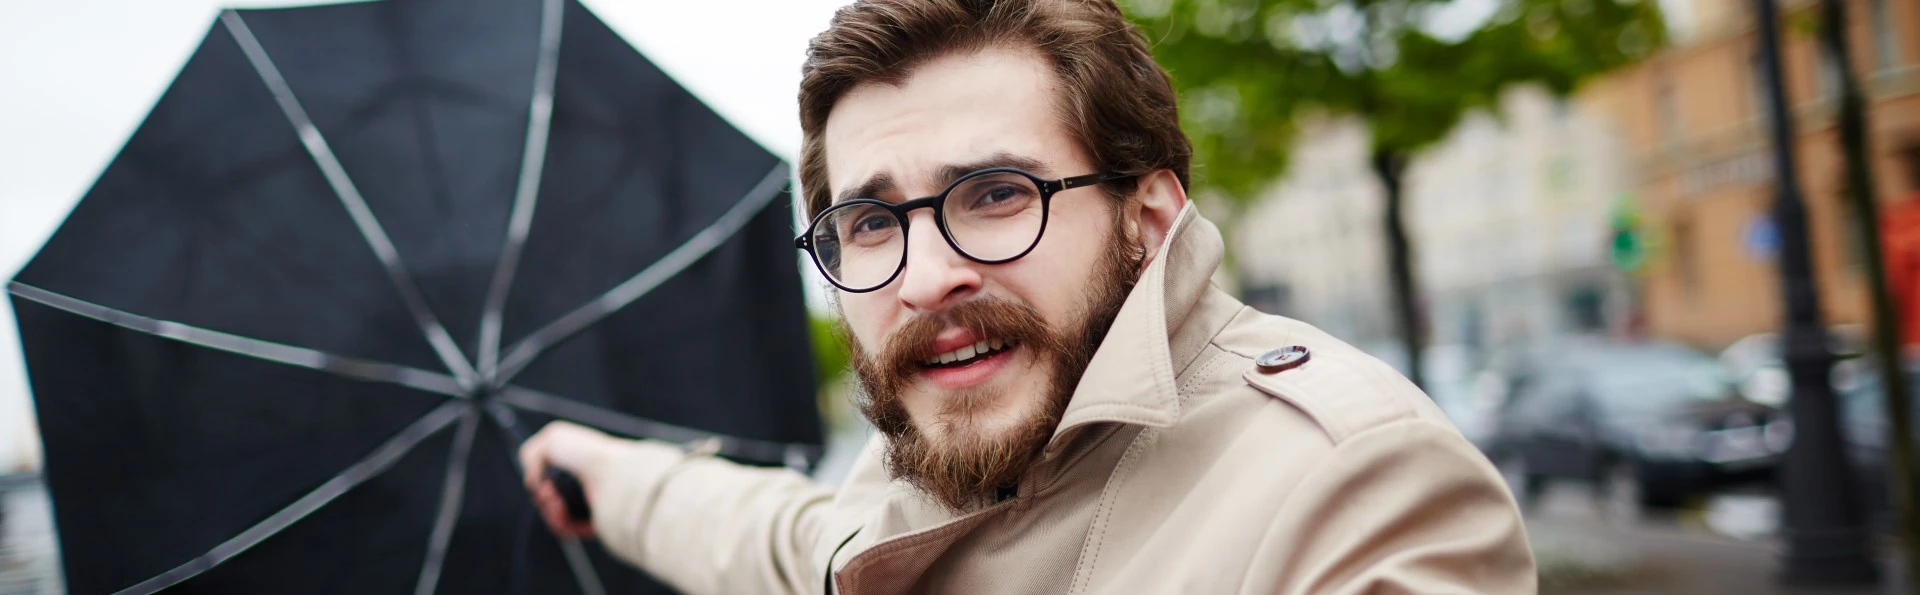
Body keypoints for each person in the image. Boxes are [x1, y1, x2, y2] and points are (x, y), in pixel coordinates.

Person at [518, 1, 1535, 592]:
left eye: (996, 195)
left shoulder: (1350, 485)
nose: (924, 277)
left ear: (1147, 219)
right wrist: (603, 473)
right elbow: (776, 539)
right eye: (871, 223)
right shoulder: (921, 489)